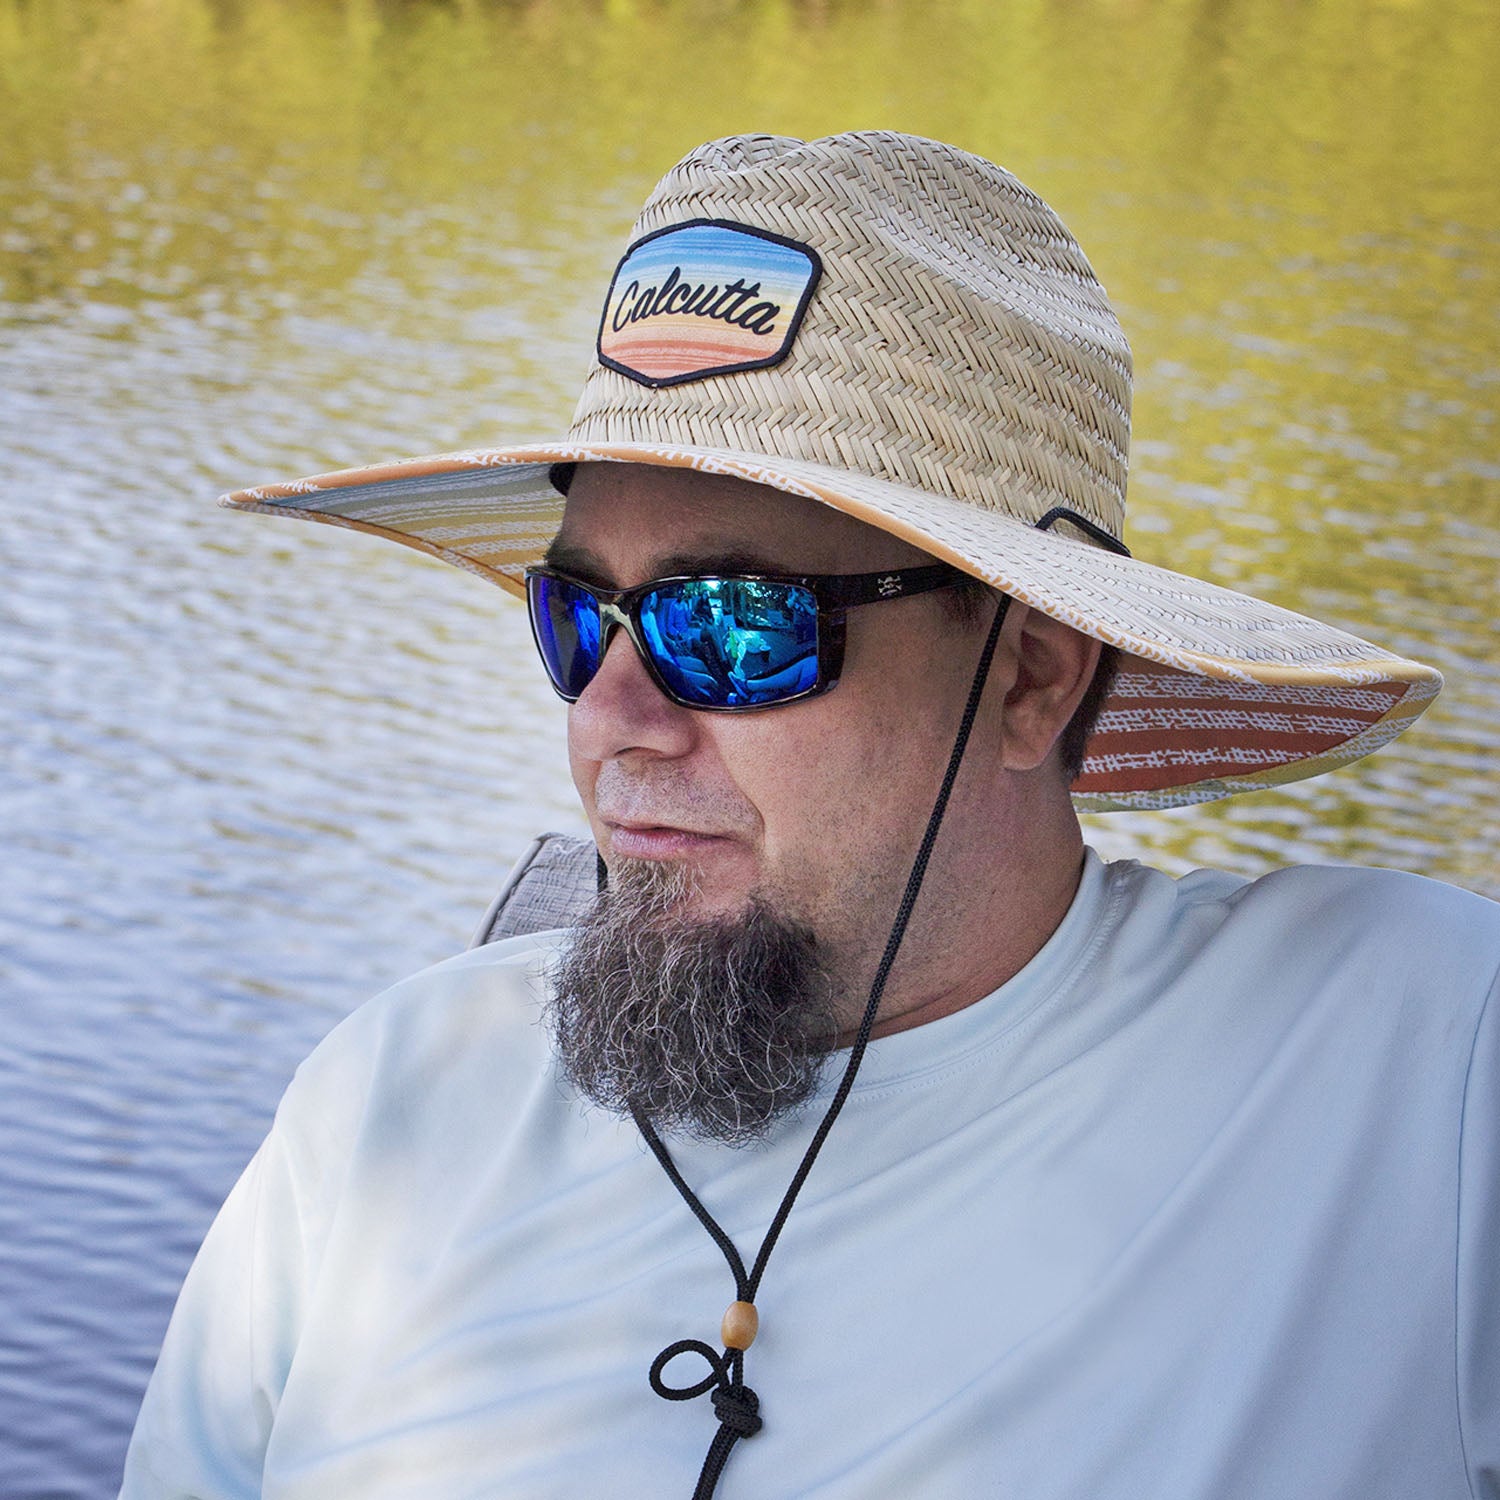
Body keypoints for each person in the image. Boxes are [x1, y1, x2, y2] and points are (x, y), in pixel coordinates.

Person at [121, 133, 1498, 1500]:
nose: (611, 719)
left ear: (1029, 675)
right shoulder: (386, 1111)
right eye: (575, 617)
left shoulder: (1418, 1067)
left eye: (731, 623)